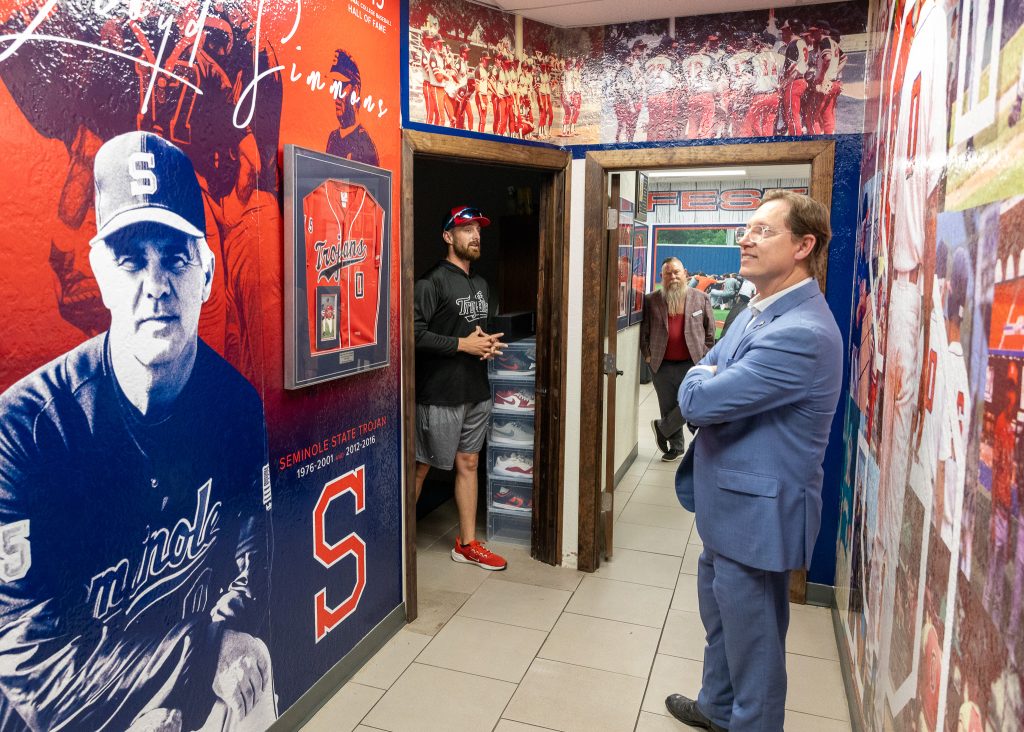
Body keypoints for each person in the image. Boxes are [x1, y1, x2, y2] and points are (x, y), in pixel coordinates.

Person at [0, 132, 274, 731]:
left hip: (187, 694)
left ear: (204, 276)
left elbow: (251, 561)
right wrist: (196, 656)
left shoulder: (235, 407)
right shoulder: (25, 431)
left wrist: (226, 641)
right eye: (131, 259)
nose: (156, 285)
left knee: (257, 672)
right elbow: (27, 653)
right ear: (101, 276)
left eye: (175, 257)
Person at [667, 190, 842, 730]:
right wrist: (712, 375)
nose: (746, 238)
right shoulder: (756, 310)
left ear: (803, 245)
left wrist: (709, 380)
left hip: (758, 518)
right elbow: (709, 365)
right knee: (722, 623)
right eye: (747, 227)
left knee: (756, 644)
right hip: (727, 511)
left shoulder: (803, 333)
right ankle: (717, 707)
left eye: (763, 230)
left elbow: (695, 397)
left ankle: (751, 722)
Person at [414, 206, 508, 571]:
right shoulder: (431, 282)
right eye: (465, 229)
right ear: (447, 236)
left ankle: (467, 543)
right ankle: (398, 546)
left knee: (468, 463)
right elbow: (414, 334)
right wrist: (462, 345)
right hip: (438, 393)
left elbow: (473, 332)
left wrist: (485, 344)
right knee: (421, 467)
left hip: (475, 390)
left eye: (478, 229)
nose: (475, 235)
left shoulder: (481, 285)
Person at [640, 258, 715, 462]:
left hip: (692, 363)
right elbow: (644, 331)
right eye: (668, 273)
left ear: (685, 273)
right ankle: (676, 447)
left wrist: (706, 356)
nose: (673, 277)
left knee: (692, 402)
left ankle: (662, 427)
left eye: (676, 272)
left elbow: (710, 331)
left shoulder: (701, 298)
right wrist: (647, 354)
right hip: (661, 364)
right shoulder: (651, 300)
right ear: (661, 277)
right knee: (667, 405)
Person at [326, 48, 380, 165]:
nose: (336, 94)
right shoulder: (333, 138)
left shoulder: (365, 145)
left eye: (341, 86)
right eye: (334, 86)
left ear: (355, 90)